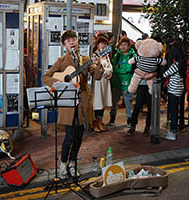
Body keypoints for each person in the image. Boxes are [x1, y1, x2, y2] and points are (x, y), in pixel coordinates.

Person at [41, 30, 102, 179]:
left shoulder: (86, 59)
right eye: (68, 41)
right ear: (64, 45)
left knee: (79, 137)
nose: (72, 43)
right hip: (68, 103)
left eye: (73, 39)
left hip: (83, 102)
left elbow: (98, 76)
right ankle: (63, 165)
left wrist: (98, 63)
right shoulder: (61, 61)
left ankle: (73, 163)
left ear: (77, 41)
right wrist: (60, 83)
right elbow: (45, 77)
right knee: (69, 137)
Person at [109, 37, 135, 128]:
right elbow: (114, 68)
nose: (123, 47)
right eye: (121, 45)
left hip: (127, 83)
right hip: (116, 82)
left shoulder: (133, 56)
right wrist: (123, 70)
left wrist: (121, 69)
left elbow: (130, 69)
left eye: (125, 45)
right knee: (114, 102)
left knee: (128, 103)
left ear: (129, 46)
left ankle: (129, 121)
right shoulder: (117, 55)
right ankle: (112, 119)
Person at [162, 45, 185, 141]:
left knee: (173, 111)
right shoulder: (182, 64)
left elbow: (165, 74)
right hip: (179, 89)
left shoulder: (175, 65)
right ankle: (174, 130)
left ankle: (173, 131)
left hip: (173, 90)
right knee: (175, 110)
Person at [91, 33, 113, 133]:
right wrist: (105, 71)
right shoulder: (95, 55)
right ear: (97, 44)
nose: (103, 45)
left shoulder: (106, 56)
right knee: (97, 103)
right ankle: (95, 123)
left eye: (104, 44)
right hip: (97, 83)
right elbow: (95, 70)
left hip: (105, 82)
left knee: (103, 103)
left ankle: (100, 122)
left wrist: (106, 72)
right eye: (101, 43)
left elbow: (110, 68)